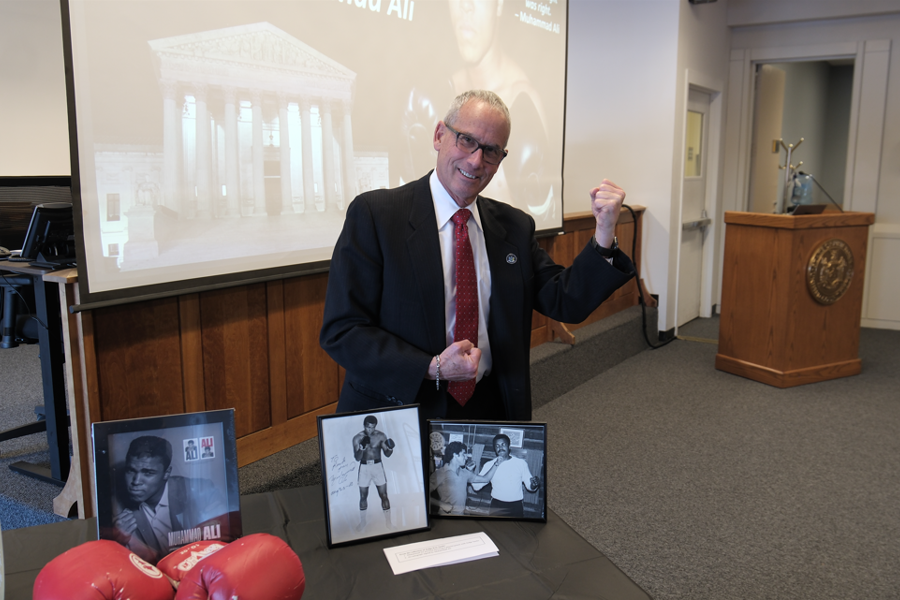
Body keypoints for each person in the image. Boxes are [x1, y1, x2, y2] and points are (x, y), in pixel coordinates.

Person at [320, 89, 634, 422]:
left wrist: (604, 233)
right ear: (440, 135)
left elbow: (564, 301)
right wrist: (432, 368)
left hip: (488, 410)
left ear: (501, 158)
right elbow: (343, 329)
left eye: (491, 151)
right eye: (467, 140)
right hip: (401, 410)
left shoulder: (513, 227)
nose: (475, 161)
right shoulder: (377, 216)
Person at [112, 435, 227, 563]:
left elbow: (226, 543)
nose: (136, 481)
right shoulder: (116, 512)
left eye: (148, 473)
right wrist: (116, 544)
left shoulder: (201, 492)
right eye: (131, 471)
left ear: (167, 473)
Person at [430, 441, 505, 515]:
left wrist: (496, 464)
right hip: (445, 517)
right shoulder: (440, 473)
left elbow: (486, 479)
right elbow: (423, 495)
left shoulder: (465, 473)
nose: (466, 457)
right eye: (464, 454)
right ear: (455, 455)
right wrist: (441, 504)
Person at [477, 434, 539, 517]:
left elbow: (530, 486)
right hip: (496, 505)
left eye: (503, 444)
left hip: (516, 506)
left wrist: (534, 485)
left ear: (509, 446)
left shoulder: (521, 463)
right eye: (497, 446)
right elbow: (476, 487)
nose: (500, 448)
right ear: (494, 448)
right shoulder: (489, 465)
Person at [353, 416, 396, 511]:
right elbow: (357, 458)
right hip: (364, 467)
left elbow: (387, 454)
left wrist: (390, 448)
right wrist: (361, 448)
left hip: (377, 466)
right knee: (363, 496)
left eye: (373, 427)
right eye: (368, 427)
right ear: (364, 426)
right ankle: (363, 523)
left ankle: (389, 522)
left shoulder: (381, 436)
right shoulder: (357, 438)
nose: (370, 430)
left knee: (384, 495)